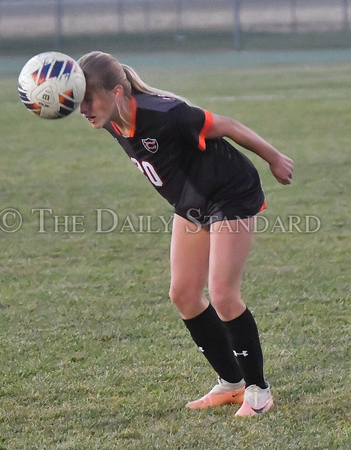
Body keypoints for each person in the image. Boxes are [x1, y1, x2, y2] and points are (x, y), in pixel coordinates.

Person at [78, 51, 293, 417]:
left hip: (230, 192)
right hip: (193, 202)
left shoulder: (166, 115)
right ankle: (231, 383)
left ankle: (258, 390)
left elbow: (226, 125)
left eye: (88, 99)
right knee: (183, 294)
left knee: (224, 295)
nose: (82, 109)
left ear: (117, 92)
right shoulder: (113, 120)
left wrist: (274, 158)